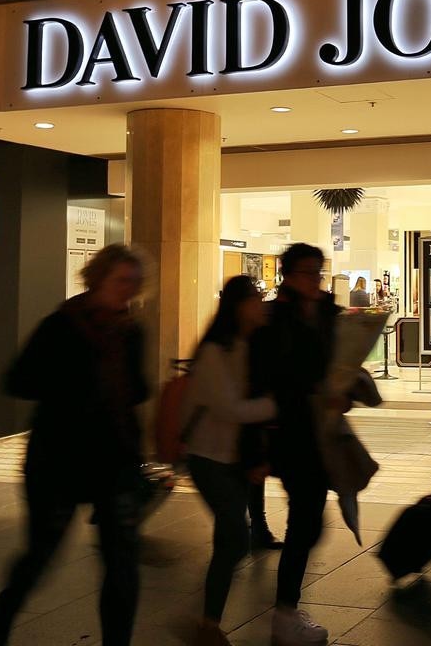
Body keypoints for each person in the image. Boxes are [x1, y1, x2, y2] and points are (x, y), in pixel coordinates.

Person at [0, 245, 149, 646]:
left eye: (134, 282)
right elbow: (18, 380)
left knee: (122, 565)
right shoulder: (60, 325)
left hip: (113, 461)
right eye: (120, 281)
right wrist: (75, 385)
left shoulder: (131, 331)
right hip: (59, 460)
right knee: (39, 556)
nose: (127, 290)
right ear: (97, 279)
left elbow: (136, 390)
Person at [249, 243, 340, 645]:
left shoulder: (321, 314)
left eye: (319, 271)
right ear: (289, 274)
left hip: (311, 430)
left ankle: (286, 611)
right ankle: (285, 614)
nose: (316, 279)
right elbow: (269, 376)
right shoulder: (275, 320)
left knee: (309, 521)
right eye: (309, 272)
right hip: (286, 432)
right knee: (306, 520)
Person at [182, 276, 278, 646]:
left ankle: (207, 621)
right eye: (254, 299)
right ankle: (207, 622)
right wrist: (279, 404)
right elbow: (231, 409)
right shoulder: (213, 352)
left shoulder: (248, 345)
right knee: (235, 538)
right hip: (208, 457)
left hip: (233, 457)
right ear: (238, 306)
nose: (260, 305)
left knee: (232, 539)